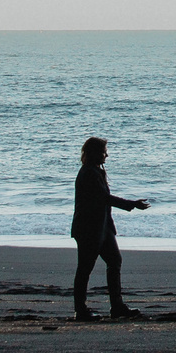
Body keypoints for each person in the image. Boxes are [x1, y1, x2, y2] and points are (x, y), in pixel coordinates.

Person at [71, 135, 149, 320]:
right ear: (95, 153)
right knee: (85, 269)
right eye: (103, 152)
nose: (106, 155)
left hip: (102, 227)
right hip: (89, 229)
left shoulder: (95, 171)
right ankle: (81, 310)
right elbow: (104, 198)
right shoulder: (89, 173)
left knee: (114, 261)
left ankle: (117, 306)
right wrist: (131, 204)